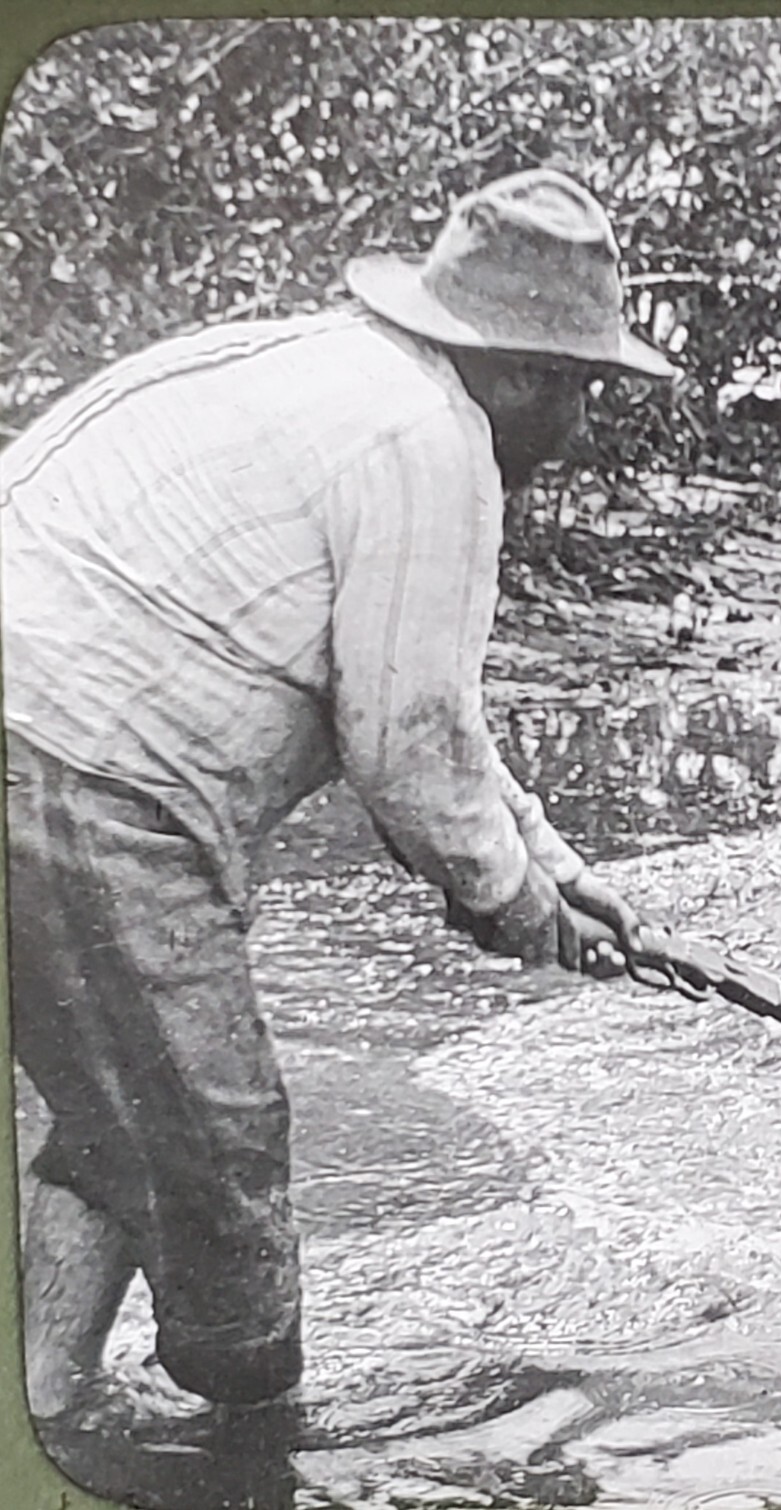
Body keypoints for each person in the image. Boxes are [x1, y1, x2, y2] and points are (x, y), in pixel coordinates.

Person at [1, 168, 677, 1425]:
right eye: (582, 386)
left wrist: (559, 867)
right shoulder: (432, 442)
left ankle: (44, 1413)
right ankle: (250, 1437)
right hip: (77, 774)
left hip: (41, 738)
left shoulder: (324, 367)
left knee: (120, 1112)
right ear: (522, 371)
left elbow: (436, 725)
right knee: (222, 1160)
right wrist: (522, 910)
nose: (582, 425)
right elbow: (408, 751)